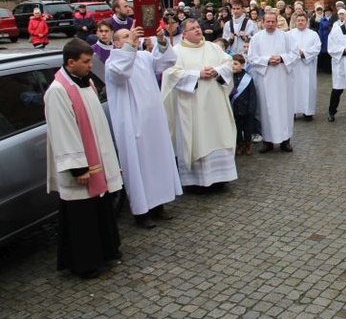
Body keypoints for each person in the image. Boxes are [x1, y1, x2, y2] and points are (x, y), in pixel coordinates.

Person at [44, 38, 123, 279]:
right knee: (81, 218)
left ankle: (106, 251)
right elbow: (63, 131)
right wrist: (78, 168)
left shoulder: (85, 83)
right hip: (81, 167)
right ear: (71, 63)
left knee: (100, 208)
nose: (91, 66)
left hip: (96, 159)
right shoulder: (58, 91)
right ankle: (85, 263)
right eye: (86, 62)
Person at [106, 26, 182, 229]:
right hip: (133, 125)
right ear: (116, 43)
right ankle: (142, 212)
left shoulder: (144, 56)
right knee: (140, 166)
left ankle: (159, 205)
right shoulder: (113, 61)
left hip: (153, 122)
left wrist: (161, 40)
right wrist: (130, 46)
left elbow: (165, 62)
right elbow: (121, 73)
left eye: (131, 36)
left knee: (157, 162)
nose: (131, 39)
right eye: (124, 37)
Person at [161, 19, 238, 190]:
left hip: (215, 105)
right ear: (184, 33)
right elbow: (171, 74)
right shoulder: (176, 52)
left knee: (218, 135)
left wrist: (217, 71)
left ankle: (220, 179)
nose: (197, 30)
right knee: (197, 138)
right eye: (192, 28)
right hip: (192, 107)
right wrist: (197, 74)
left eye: (198, 27)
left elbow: (228, 62)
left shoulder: (212, 47)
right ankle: (196, 182)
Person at [247, 11, 299, 152]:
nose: (270, 24)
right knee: (266, 110)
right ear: (263, 22)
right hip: (265, 79)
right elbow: (251, 58)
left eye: (273, 22)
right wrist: (267, 60)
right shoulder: (256, 38)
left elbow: (295, 54)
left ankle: (285, 141)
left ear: (277, 22)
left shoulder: (286, 37)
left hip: (283, 79)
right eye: (268, 22)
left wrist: (281, 58)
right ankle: (267, 141)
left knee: (284, 109)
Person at [289, 14, 321, 121]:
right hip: (294, 67)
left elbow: (317, 48)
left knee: (308, 88)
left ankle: (308, 112)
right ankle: (292, 111)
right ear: (295, 22)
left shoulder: (313, 35)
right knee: (293, 89)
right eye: (298, 20)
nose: (300, 22)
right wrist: (295, 54)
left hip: (308, 66)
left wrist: (303, 53)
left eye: (302, 20)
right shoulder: (289, 34)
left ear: (307, 22)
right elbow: (285, 49)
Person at [230, 54, 257, 155]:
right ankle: (240, 145)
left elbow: (252, 95)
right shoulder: (230, 78)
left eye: (236, 64)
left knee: (247, 129)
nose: (233, 66)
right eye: (231, 64)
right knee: (237, 128)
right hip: (235, 108)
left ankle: (247, 145)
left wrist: (251, 109)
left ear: (242, 65)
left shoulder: (248, 78)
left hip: (246, 109)